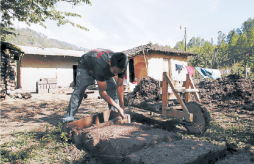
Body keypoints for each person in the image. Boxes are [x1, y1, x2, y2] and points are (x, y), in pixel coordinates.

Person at [61, 49, 128, 123]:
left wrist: (122, 106)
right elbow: (102, 92)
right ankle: (69, 116)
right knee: (80, 90)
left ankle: (115, 114)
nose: (116, 75)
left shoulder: (122, 63)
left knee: (113, 89)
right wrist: (118, 107)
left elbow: (119, 86)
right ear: (109, 62)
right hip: (86, 66)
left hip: (105, 69)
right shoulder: (100, 65)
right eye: (115, 72)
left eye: (118, 72)